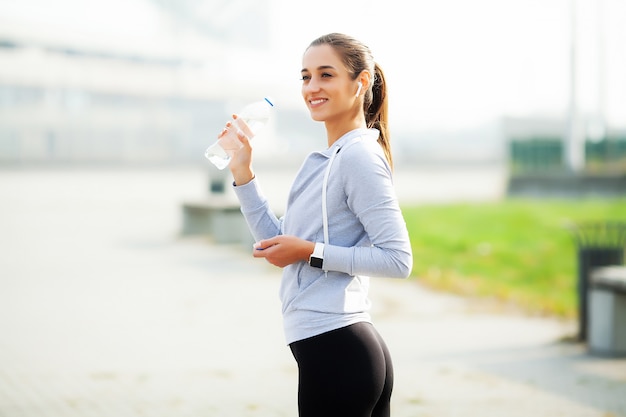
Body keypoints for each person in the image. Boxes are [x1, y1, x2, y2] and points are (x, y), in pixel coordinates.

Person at [219, 32, 413, 417]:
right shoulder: (326, 160)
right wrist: (243, 173)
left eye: (326, 74)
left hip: (341, 350)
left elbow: (397, 259)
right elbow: (276, 243)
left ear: (360, 84)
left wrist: (310, 252)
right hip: (332, 350)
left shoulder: (358, 156)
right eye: (305, 76)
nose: (312, 87)